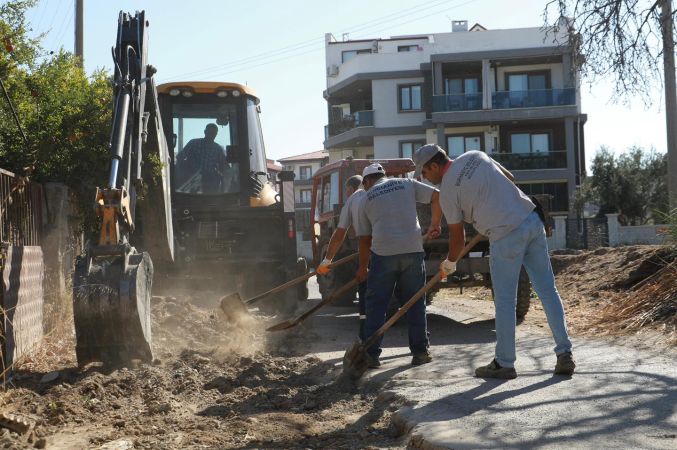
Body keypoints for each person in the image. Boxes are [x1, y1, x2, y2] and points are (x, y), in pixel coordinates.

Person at [413, 144, 575, 379]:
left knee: (505, 300)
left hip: (505, 234)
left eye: (424, 173)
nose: (424, 178)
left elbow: (458, 239)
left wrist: (449, 263)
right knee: (547, 290)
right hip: (531, 220)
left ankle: (504, 362)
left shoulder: (447, 192)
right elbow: (509, 177)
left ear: (434, 166)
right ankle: (565, 354)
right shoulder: (475, 155)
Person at [355, 163, 442, 368]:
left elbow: (365, 239)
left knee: (377, 305)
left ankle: (371, 354)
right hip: (413, 250)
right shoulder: (406, 183)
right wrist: (435, 224)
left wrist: (362, 267)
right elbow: (436, 195)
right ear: (384, 175)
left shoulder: (365, 198)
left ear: (368, 181)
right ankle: (420, 352)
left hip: (383, 254)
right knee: (414, 302)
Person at [317, 175, 368, 339]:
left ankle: (366, 330)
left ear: (352, 189)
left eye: (347, 190)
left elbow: (339, 234)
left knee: (365, 287)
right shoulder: (376, 196)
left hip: (367, 249)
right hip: (378, 247)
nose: (347, 193)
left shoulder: (354, 199)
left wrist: (327, 261)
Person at [176, 123, 231, 194]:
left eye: (214, 133)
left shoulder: (218, 149)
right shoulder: (193, 143)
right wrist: (182, 175)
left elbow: (224, 166)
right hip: (192, 180)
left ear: (216, 134)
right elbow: (180, 157)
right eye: (210, 132)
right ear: (205, 132)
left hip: (210, 182)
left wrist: (232, 172)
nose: (212, 135)